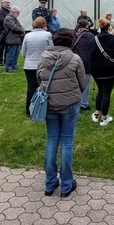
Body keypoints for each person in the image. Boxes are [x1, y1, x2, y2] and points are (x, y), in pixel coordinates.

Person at [37, 28, 86, 198]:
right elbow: (83, 83)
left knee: (51, 141)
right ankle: (66, 184)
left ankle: (50, 183)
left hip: (49, 104)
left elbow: (39, 78)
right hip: (69, 105)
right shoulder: (75, 58)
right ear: (71, 42)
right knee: (66, 142)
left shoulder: (43, 57)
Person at [89, 18, 114, 126]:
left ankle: (97, 112)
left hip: (96, 70)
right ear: (109, 28)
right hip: (110, 70)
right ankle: (104, 118)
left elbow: (90, 53)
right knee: (106, 92)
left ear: (99, 28)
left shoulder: (93, 39)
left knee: (100, 90)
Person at [22, 17, 53, 115]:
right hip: (43, 64)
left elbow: (23, 52)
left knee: (31, 87)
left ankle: (29, 109)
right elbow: (52, 49)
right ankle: (42, 107)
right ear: (44, 25)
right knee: (44, 86)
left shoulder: (27, 35)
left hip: (29, 65)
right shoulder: (48, 35)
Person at [72, 18, 94, 110]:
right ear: (86, 26)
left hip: (74, 61)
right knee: (85, 83)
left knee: (74, 83)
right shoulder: (90, 35)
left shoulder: (73, 34)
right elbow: (93, 48)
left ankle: (74, 102)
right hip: (86, 62)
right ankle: (83, 103)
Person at [3, 6, 25, 73]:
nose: (19, 14)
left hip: (16, 38)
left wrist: (22, 30)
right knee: (11, 54)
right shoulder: (8, 18)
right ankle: (9, 67)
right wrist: (22, 31)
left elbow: (20, 26)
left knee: (16, 53)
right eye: (18, 12)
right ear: (13, 12)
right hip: (11, 39)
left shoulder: (14, 18)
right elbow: (14, 28)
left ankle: (13, 66)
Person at [0, 0, 11, 66]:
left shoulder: (10, 11)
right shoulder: (0, 11)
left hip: (9, 31)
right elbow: (0, 21)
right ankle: (0, 60)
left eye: (8, 2)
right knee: (2, 46)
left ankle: (6, 60)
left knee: (8, 46)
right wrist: (9, 22)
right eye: (6, 2)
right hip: (3, 31)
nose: (8, 4)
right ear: (2, 3)